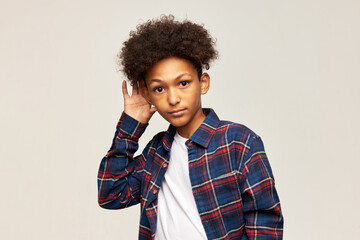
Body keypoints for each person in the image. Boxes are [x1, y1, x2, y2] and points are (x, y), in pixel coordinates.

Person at [97, 15, 283, 240]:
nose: (173, 98)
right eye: (159, 89)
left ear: (203, 83)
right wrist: (131, 125)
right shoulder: (156, 152)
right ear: (148, 94)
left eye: (183, 83)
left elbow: (264, 224)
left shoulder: (238, 142)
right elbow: (110, 194)